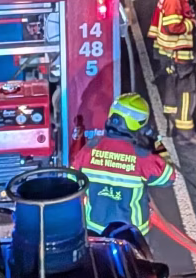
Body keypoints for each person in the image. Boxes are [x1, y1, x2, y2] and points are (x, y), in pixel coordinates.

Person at [70, 93, 176, 235]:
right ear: (141, 124)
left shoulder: (90, 148)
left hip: (95, 228)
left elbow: (72, 179)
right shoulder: (142, 157)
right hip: (132, 232)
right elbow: (168, 177)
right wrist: (157, 143)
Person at [148, 0, 196, 144]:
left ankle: (172, 127)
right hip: (178, 55)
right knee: (187, 92)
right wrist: (193, 22)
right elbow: (173, 27)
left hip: (170, 54)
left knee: (172, 92)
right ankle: (185, 133)